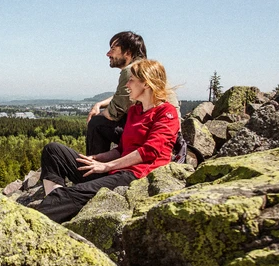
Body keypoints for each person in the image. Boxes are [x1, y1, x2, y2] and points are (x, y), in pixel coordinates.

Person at [35, 58, 180, 223]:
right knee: (53, 151)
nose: (127, 85)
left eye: (131, 80)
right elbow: (121, 149)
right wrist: (98, 159)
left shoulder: (166, 112)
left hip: (136, 176)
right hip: (117, 170)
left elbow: (149, 151)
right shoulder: (135, 110)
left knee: (72, 193)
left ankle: (41, 219)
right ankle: (56, 203)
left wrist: (106, 166)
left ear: (146, 84)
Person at [86, 32, 147, 155]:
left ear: (128, 53)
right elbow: (122, 96)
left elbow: (114, 112)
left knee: (97, 123)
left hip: (145, 135)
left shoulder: (130, 71)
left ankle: (93, 170)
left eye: (113, 49)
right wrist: (99, 104)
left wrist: (95, 118)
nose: (108, 54)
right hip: (156, 131)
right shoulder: (144, 68)